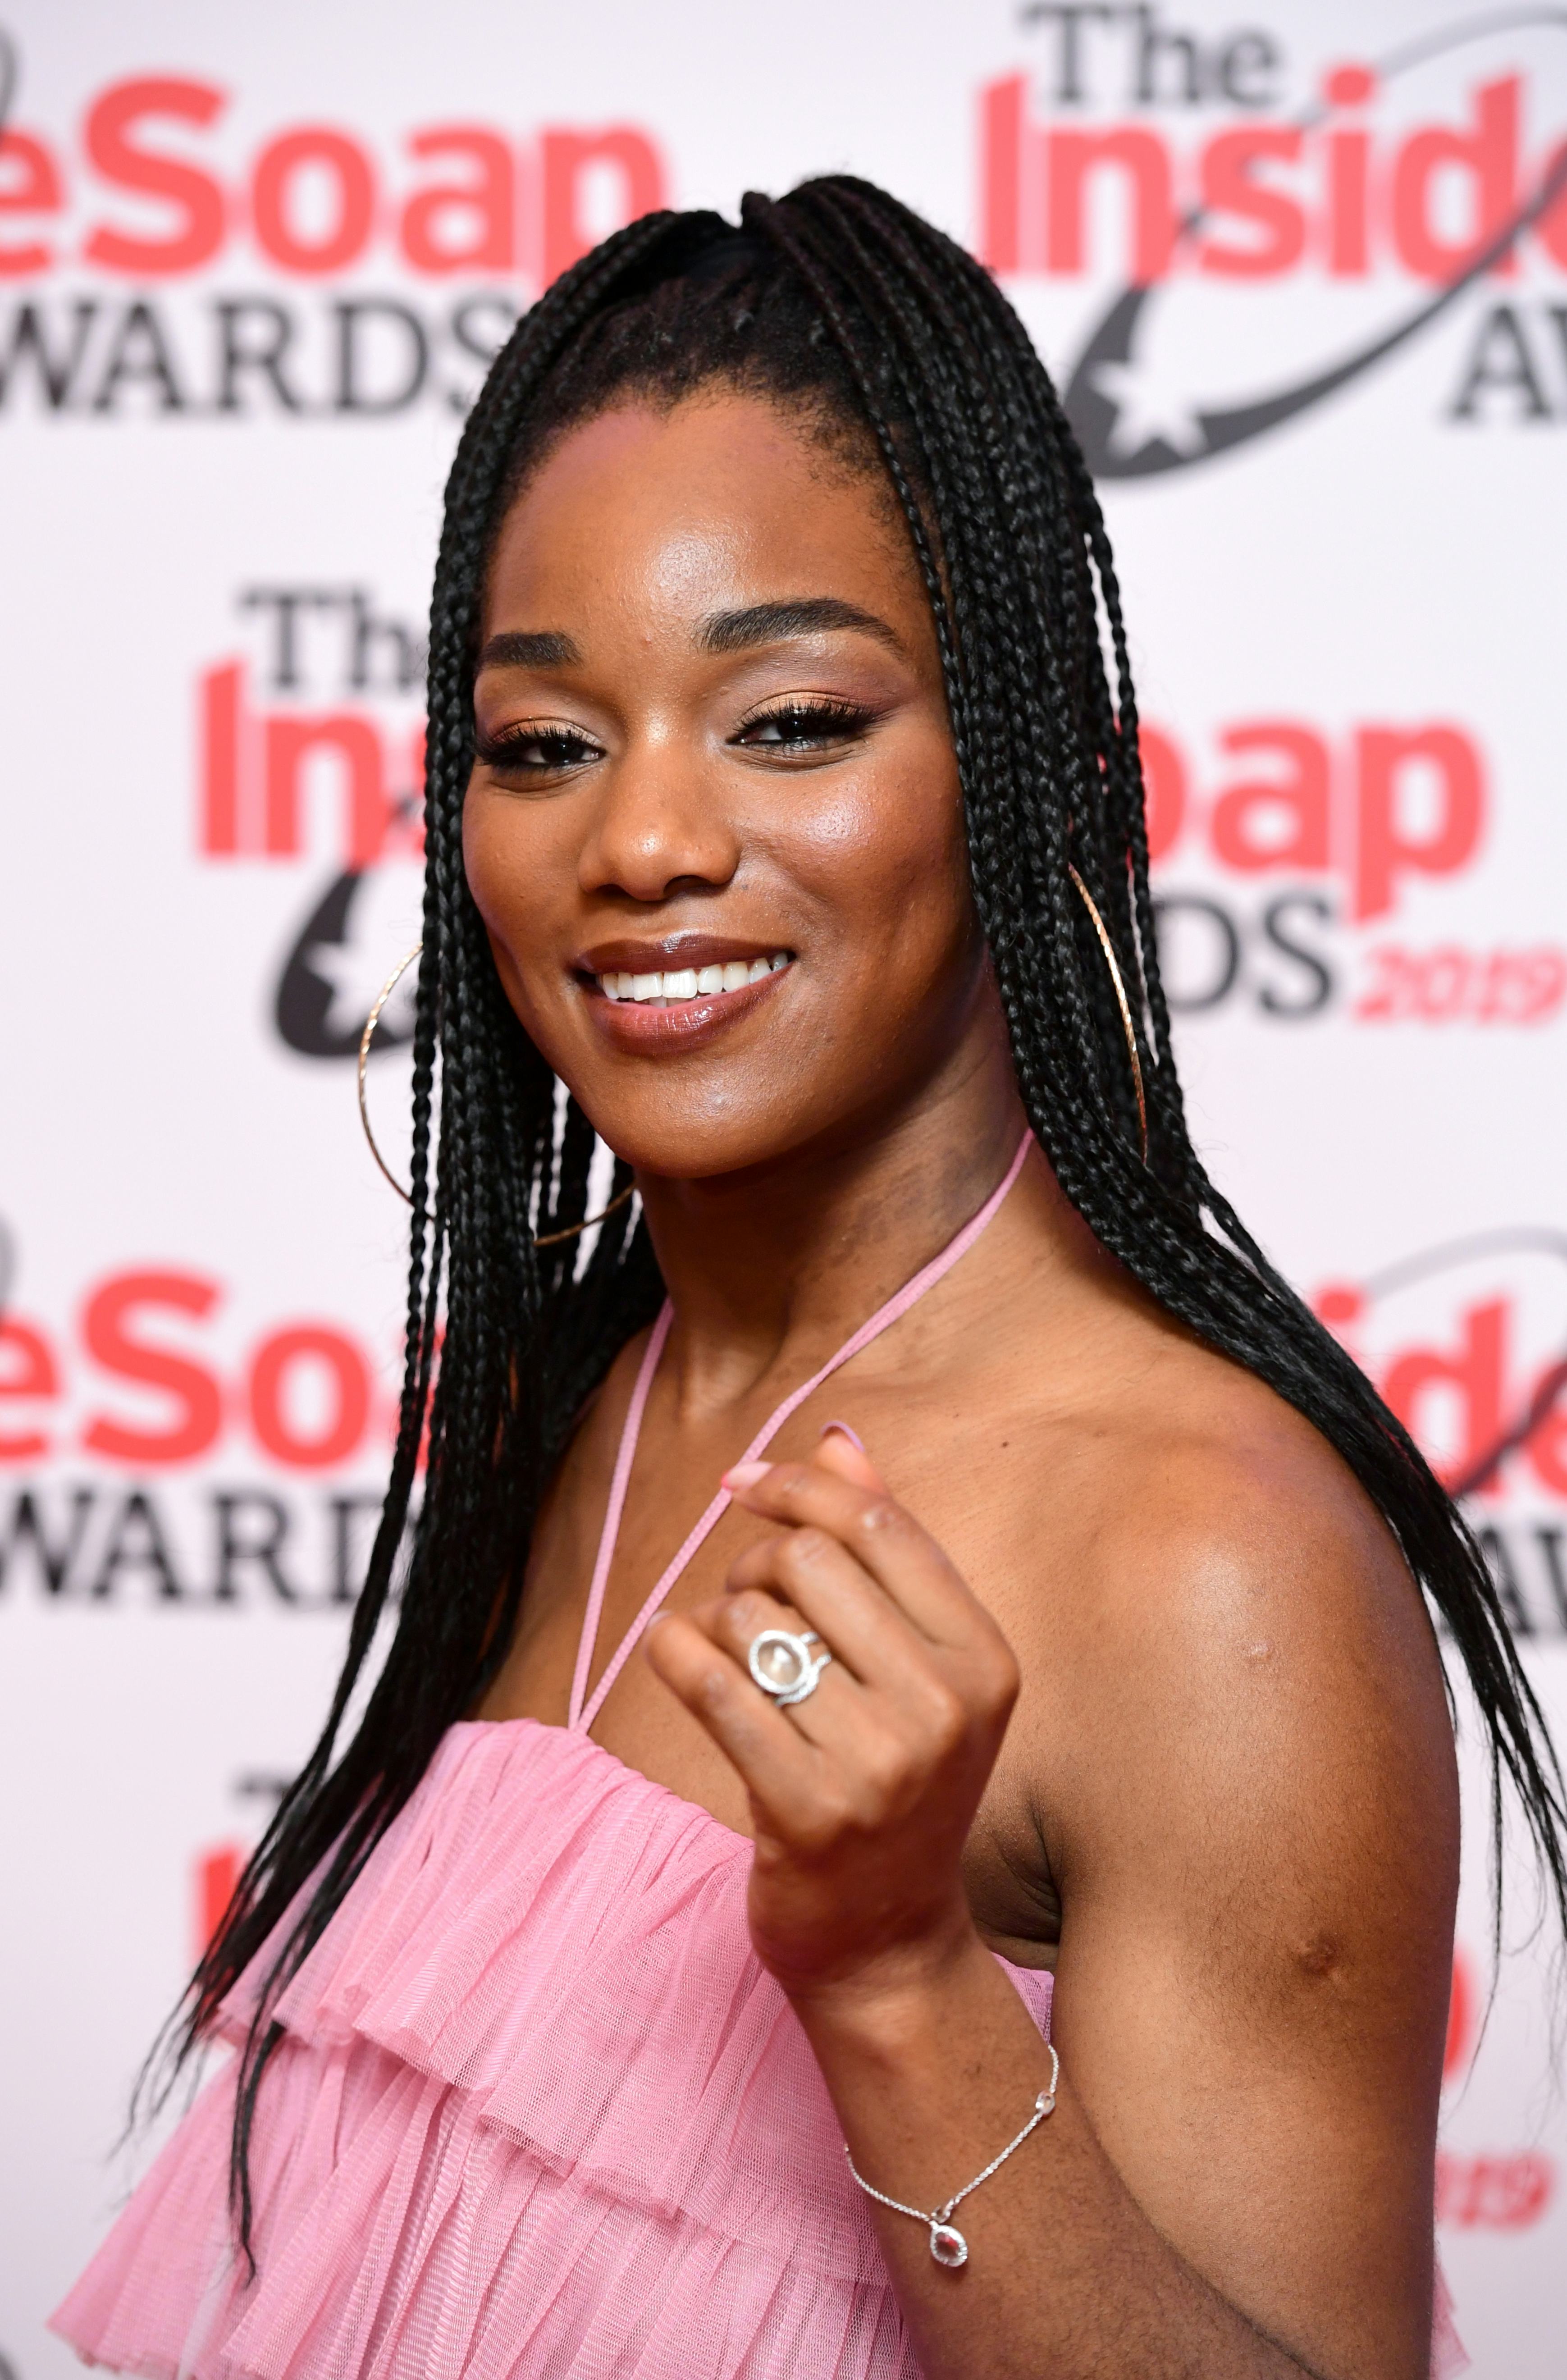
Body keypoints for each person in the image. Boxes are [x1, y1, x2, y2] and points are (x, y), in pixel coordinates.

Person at [52, 178, 1562, 2380]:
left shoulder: (1202, 1560)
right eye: (542, 744)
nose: (642, 841)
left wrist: (892, 1980)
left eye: (790, 722)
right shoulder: (576, 1400)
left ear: (1016, 753)